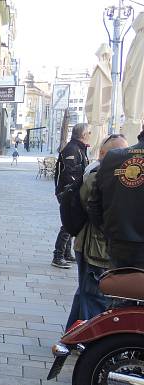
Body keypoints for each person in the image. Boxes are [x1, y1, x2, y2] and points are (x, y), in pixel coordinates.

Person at [66, 134, 129, 328]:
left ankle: (72, 334)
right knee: (93, 295)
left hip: (90, 243)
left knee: (86, 291)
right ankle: (88, 342)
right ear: (104, 153)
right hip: (94, 245)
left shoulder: (106, 173)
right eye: (118, 152)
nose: (123, 156)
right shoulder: (98, 175)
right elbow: (91, 205)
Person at [88, 124, 144, 269]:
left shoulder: (113, 157)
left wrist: (107, 231)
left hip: (119, 244)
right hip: (119, 241)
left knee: (120, 288)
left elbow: (94, 203)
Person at [52, 123, 91, 269]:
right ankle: (58, 255)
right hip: (68, 192)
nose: (91, 135)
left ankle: (66, 253)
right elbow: (70, 174)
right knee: (68, 224)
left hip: (69, 191)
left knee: (70, 222)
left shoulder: (78, 148)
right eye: (89, 133)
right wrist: (75, 191)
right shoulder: (73, 149)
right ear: (83, 135)